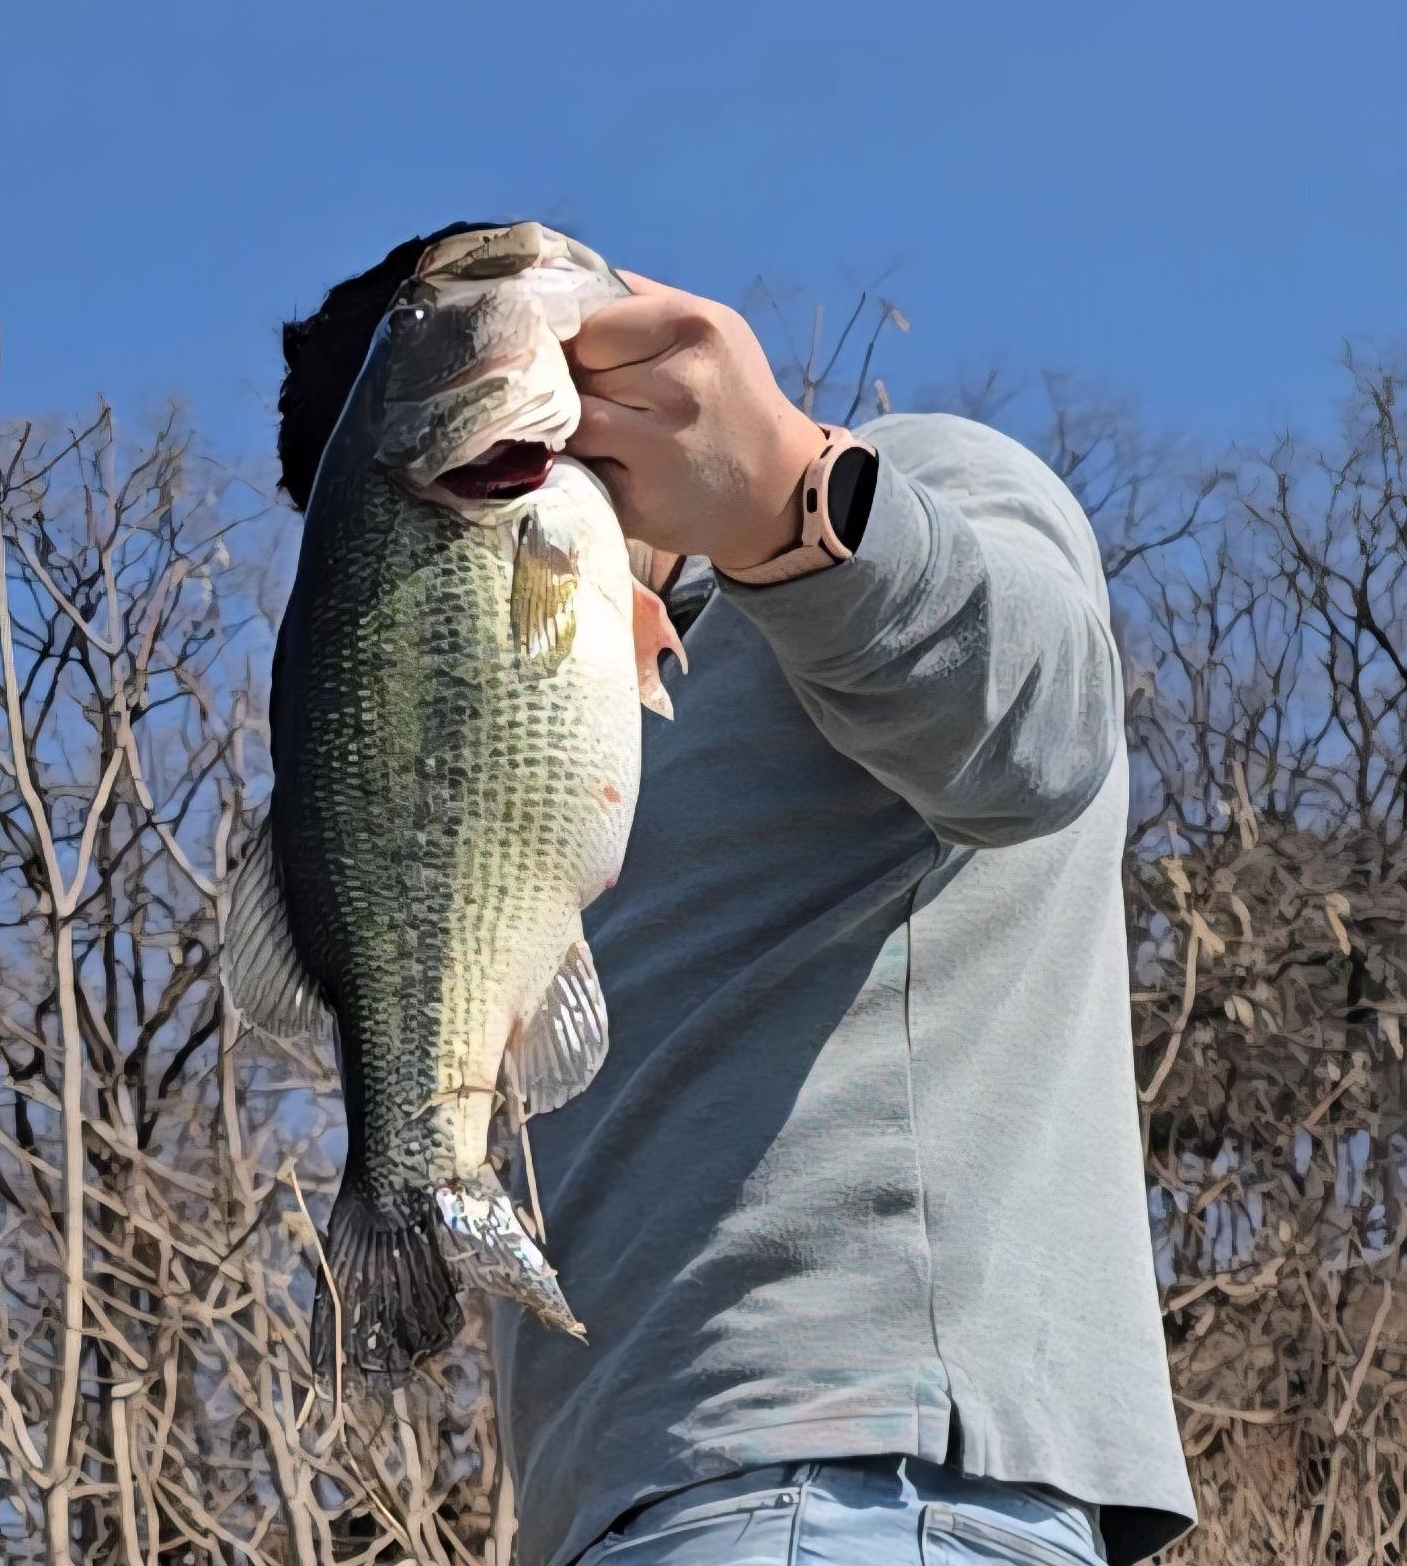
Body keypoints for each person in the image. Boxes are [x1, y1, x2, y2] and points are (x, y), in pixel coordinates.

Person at [277, 225, 1197, 1566]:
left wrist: (785, 497)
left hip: (857, 1485)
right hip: (635, 1512)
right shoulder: (545, 728)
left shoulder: (908, 492)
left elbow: (1046, 742)